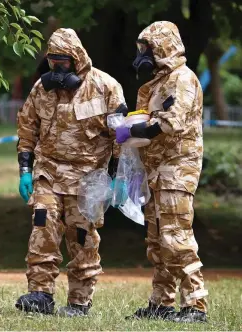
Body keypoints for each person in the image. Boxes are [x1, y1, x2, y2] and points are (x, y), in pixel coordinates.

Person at [16, 28, 127, 317]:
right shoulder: (42, 89)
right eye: (53, 60)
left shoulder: (106, 87)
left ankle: (79, 301)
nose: (57, 66)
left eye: (63, 60)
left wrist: (119, 177)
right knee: (43, 226)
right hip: (48, 173)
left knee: (82, 238)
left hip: (88, 178)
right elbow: (27, 129)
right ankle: (40, 294)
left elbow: (121, 137)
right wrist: (25, 170)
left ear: (77, 58)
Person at [116, 21, 208, 323]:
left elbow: (172, 122)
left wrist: (137, 128)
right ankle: (161, 303)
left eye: (148, 48)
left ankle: (195, 305)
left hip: (176, 170)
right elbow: (149, 118)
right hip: (156, 169)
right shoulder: (157, 83)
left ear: (164, 46)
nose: (143, 54)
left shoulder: (182, 78)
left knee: (176, 238)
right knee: (157, 242)